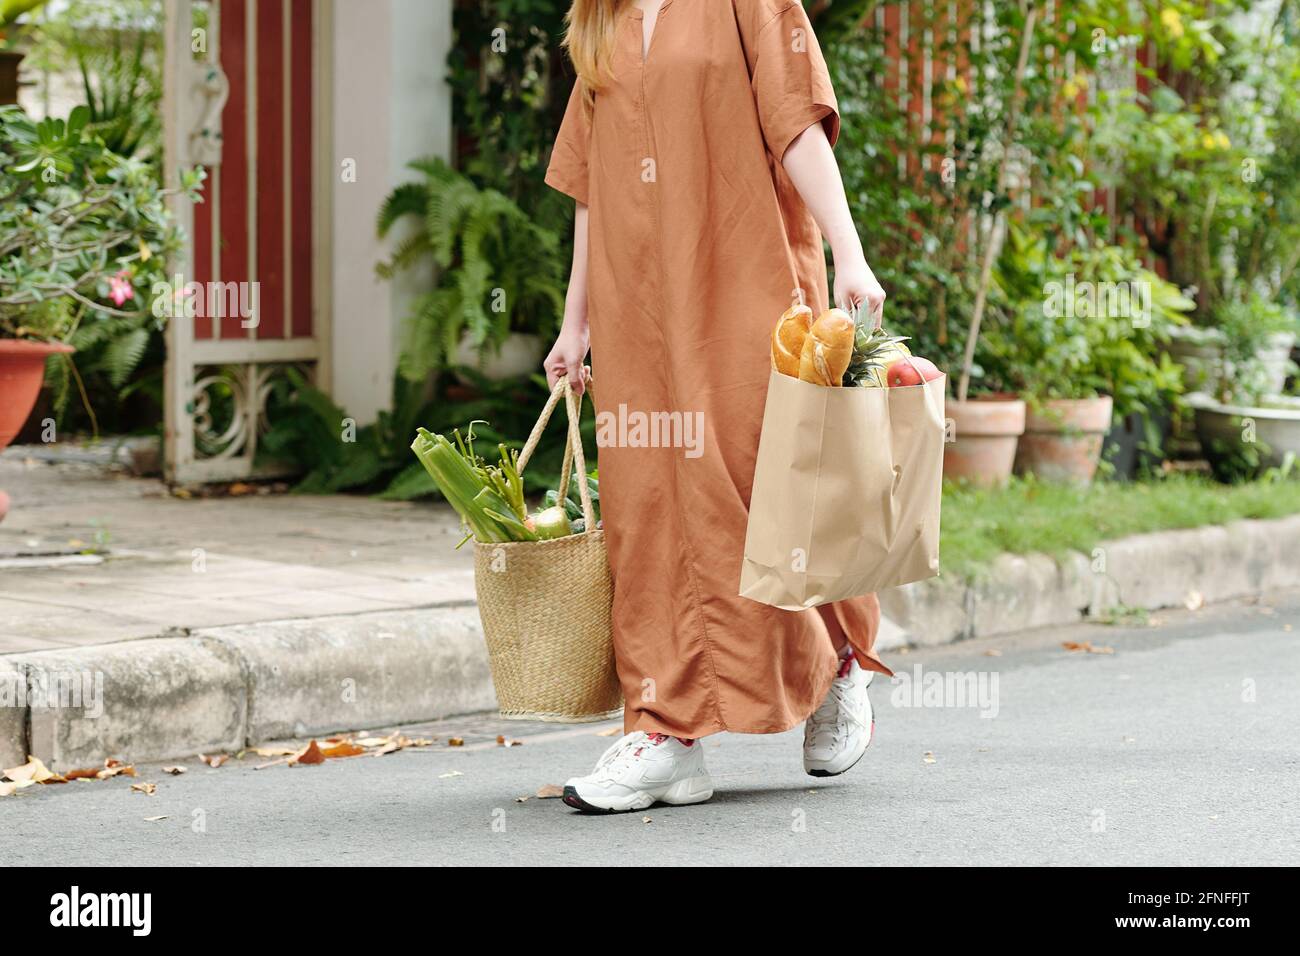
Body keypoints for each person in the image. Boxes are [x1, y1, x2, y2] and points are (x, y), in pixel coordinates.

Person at [543, 0, 892, 813]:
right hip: (639, 309)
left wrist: (849, 250)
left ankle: (835, 659)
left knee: (762, 479)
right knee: (648, 505)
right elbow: (590, 184)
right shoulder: (602, 21)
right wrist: (576, 323)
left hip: (747, 277)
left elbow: (797, 126)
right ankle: (666, 731)